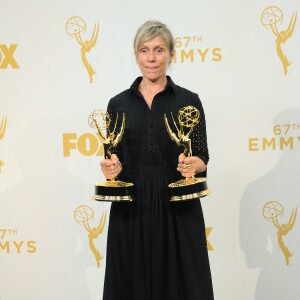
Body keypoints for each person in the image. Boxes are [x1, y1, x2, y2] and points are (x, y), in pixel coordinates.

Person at [100, 20, 214, 300]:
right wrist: (112, 168)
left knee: (184, 283)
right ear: (136, 55)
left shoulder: (188, 100)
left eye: (159, 50)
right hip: (132, 207)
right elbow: (116, 158)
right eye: (144, 50)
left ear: (172, 54)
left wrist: (192, 165)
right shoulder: (118, 103)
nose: (151, 58)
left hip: (177, 203)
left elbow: (203, 157)